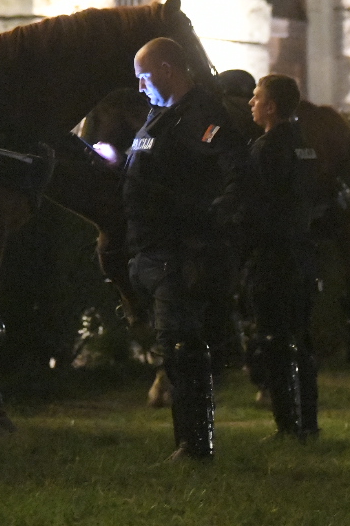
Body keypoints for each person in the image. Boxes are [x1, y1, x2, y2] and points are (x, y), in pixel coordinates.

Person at [124, 37, 245, 460]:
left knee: (182, 349)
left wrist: (206, 217)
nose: (139, 87)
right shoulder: (161, 117)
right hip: (155, 251)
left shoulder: (201, 119)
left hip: (181, 252)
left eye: (144, 77)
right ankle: (189, 441)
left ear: (168, 69)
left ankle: (196, 444)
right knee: (174, 347)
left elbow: (231, 170)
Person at [224, 73, 321, 440]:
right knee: (302, 342)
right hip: (302, 255)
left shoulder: (265, 149)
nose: (250, 103)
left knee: (275, 343)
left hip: (271, 259)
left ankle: (287, 426)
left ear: (271, 106)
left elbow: (252, 206)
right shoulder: (304, 144)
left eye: (255, 96)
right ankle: (308, 423)